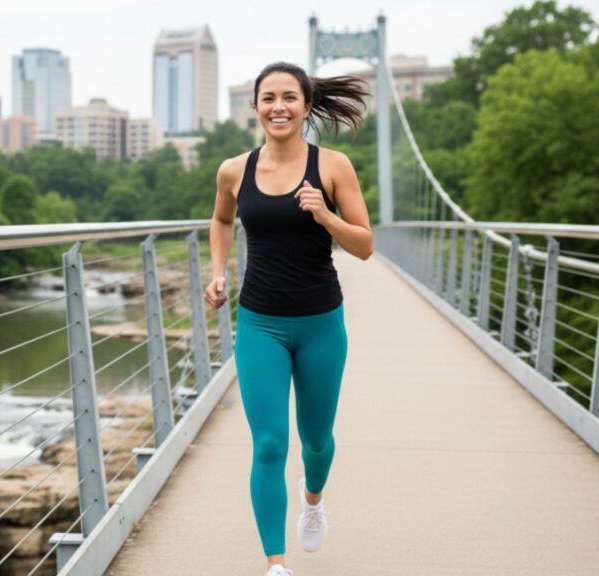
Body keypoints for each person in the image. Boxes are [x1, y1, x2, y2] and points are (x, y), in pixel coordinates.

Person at [204, 62, 374, 576]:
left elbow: (364, 245)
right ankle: (276, 564)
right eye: (268, 98)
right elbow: (220, 219)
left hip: (321, 321)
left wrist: (324, 215)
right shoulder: (234, 170)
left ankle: (314, 500)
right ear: (254, 106)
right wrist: (217, 272)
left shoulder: (333, 166)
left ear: (305, 105)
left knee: (317, 440)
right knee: (271, 442)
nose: (278, 106)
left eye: (289, 98)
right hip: (260, 323)